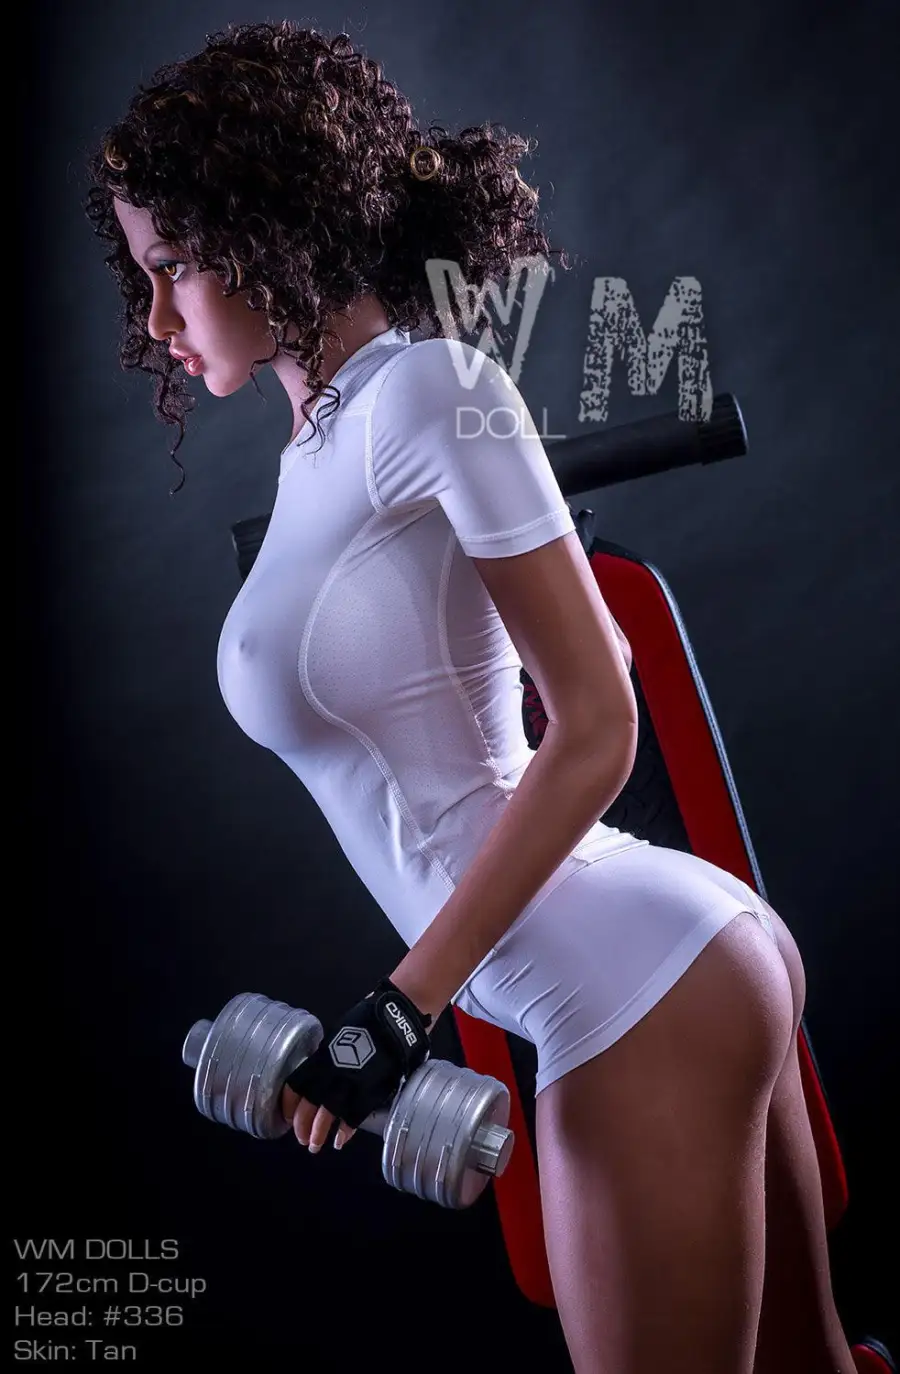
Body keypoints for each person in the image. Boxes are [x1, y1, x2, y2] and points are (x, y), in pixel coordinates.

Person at [85, 21, 857, 1374]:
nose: (156, 318)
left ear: (269, 228)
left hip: (626, 988)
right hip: (653, 969)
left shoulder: (436, 387)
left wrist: (402, 1008)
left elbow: (600, 717)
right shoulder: (327, 443)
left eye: (175, 267)